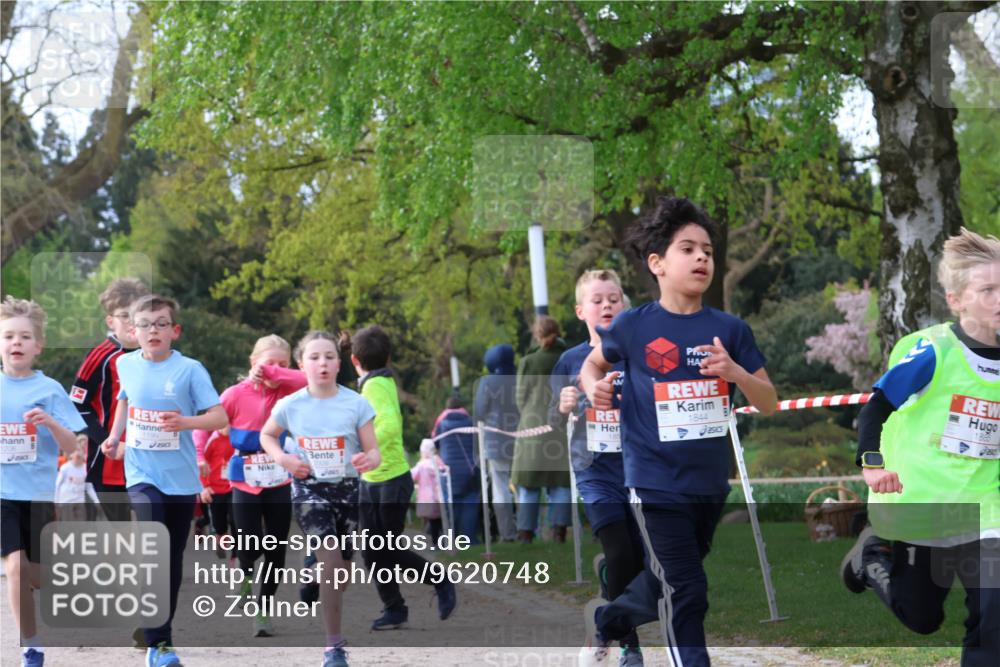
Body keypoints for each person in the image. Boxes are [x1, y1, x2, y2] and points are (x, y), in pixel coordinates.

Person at [579, 197, 777, 667]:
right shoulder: (634, 325)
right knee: (687, 589)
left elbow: (768, 401)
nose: (702, 258)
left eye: (707, 250)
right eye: (687, 249)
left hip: (708, 484)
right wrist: (594, 389)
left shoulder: (729, 329)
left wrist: (736, 373)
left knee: (665, 581)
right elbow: (592, 363)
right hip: (653, 481)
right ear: (657, 264)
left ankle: (607, 621)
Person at [840, 228, 1000, 666]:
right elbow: (875, 409)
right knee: (922, 616)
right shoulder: (935, 352)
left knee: (994, 614)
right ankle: (869, 559)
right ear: (957, 301)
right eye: (988, 290)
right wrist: (872, 464)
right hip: (924, 503)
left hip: (986, 510)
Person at [100, 294, 228, 667]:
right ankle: (159, 645)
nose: (152, 330)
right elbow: (124, 400)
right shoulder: (125, 365)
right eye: (145, 324)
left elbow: (218, 418)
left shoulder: (190, 370)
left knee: (171, 559)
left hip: (181, 479)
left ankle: (159, 636)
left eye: (160, 324)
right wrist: (114, 435)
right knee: (154, 545)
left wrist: (185, 422)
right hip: (141, 473)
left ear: (175, 331)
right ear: (133, 331)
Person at [259, 331, 382, 667]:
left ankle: (313, 571)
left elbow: (373, 451)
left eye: (328, 356)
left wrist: (368, 460)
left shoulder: (356, 403)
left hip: (347, 490)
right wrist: (284, 460)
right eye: (314, 357)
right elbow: (267, 435)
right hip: (309, 488)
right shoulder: (290, 405)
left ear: (339, 363)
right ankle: (334, 646)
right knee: (330, 564)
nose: (322, 363)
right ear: (302, 365)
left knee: (341, 573)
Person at [549, 269, 644, 667]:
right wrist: (565, 404)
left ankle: (604, 618)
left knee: (637, 562)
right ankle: (628, 647)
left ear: (624, 305)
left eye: (614, 298)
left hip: (640, 471)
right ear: (580, 310)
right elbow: (551, 419)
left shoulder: (638, 351)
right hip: (595, 473)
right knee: (622, 553)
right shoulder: (569, 360)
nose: (607, 305)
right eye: (598, 300)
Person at [196, 334, 304, 637]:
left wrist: (277, 373)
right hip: (244, 478)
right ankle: (244, 572)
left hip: (279, 476)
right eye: (270, 363)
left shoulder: (290, 391)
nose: (276, 370)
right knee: (251, 543)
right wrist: (197, 457)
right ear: (253, 362)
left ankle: (263, 610)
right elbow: (206, 425)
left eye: (284, 364)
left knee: (276, 548)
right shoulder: (234, 394)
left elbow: (309, 378)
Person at [351, 325, 457, 630]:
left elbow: (389, 427)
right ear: (389, 356)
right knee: (373, 550)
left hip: (391, 480)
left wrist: (363, 445)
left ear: (355, 360)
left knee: (385, 548)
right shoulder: (374, 383)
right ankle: (394, 608)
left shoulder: (376, 386)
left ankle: (439, 581)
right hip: (372, 481)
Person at [1, 296, 87, 667]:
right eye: (8, 336)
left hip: (37, 496)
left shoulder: (50, 389)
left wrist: (51, 423)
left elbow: (76, 446)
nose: (15, 343)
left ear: (38, 346)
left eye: (24, 337)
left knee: (38, 576)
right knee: (15, 567)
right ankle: (30, 646)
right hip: (2, 494)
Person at [70, 278, 149, 522]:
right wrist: (108, 441)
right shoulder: (100, 357)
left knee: (154, 531)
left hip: (150, 457)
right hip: (108, 462)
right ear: (110, 321)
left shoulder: (158, 354)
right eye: (125, 315)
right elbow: (76, 406)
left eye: (138, 315)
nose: (132, 322)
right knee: (125, 532)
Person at [512, 315, 570, 543]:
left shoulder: (528, 362)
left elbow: (520, 398)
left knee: (528, 484)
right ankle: (559, 533)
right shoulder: (567, 358)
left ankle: (526, 534)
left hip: (532, 427)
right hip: (562, 426)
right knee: (560, 483)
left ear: (537, 335)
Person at [473, 343, 520, 542]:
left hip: (495, 443)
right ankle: (527, 529)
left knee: (500, 489)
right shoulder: (521, 378)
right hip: (521, 440)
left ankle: (508, 534)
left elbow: (480, 412)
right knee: (523, 488)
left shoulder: (487, 382)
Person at [433, 397, 482, 543]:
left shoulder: (442, 423)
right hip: (471, 469)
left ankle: (451, 539)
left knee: (451, 504)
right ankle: (469, 539)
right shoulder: (471, 421)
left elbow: (435, 443)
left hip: (449, 471)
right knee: (470, 504)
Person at [411, 438, 448, 543]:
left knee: (432, 521)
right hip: (439, 496)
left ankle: (436, 542)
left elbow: (412, 475)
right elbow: (444, 471)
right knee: (439, 520)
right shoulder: (437, 460)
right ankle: (442, 540)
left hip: (427, 498)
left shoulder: (422, 464)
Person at [55, 447, 88, 522]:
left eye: (80, 451)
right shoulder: (65, 468)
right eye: (75, 451)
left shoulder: (86, 468)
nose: (78, 453)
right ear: (70, 455)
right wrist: (56, 501)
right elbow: (58, 485)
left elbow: (89, 487)